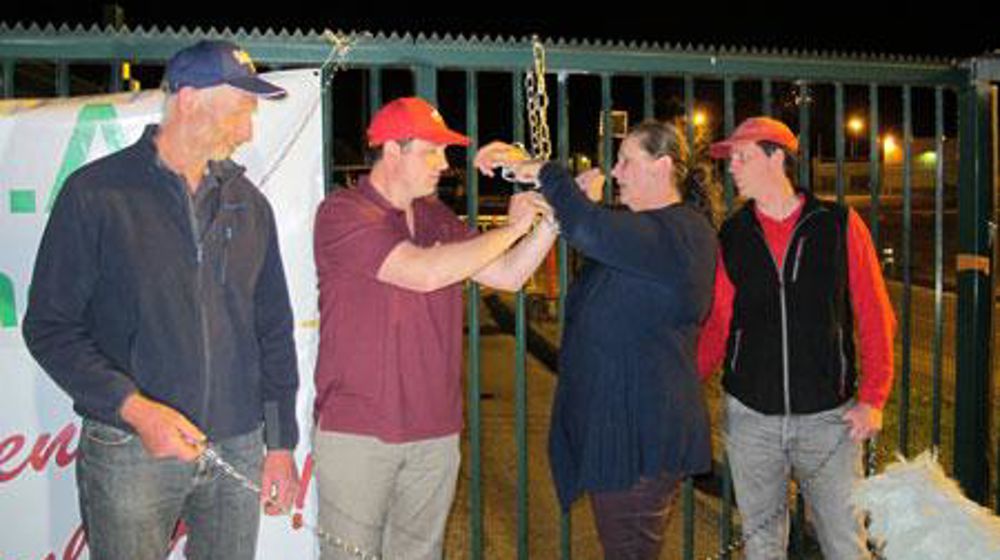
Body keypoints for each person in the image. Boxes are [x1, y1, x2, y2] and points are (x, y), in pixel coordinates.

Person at [22, 40, 300, 560]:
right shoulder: (96, 194)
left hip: (237, 445)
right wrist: (134, 408)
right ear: (190, 99)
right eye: (240, 111)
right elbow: (49, 327)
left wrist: (280, 443)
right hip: (129, 446)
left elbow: (273, 330)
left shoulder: (249, 206)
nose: (248, 130)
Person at [311, 96, 558, 559]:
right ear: (391, 152)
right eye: (431, 151)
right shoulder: (342, 212)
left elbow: (506, 275)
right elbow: (423, 272)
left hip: (435, 430)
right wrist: (509, 229)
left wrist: (547, 224)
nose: (444, 164)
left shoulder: (435, 216)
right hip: (359, 432)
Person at [476, 119, 720, 559]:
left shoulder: (682, 231)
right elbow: (586, 227)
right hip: (623, 431)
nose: (616, 173)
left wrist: (546, 171)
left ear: (662, 166)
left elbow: (589, 228)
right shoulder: (646, 234)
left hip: (641, 436)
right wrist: (540, 187)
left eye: (627, 161)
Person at [698, 116, 896, 560]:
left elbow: (874, 311)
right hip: (752, 417)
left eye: (741, 157)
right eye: (730, 159)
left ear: (776, 158)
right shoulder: (733, 234)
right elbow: (718, 321)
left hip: (830, 419)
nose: (732, 167)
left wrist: (874, 396)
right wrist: (686, 380)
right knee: (761, 543)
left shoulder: (839, 224)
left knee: (844, 543)